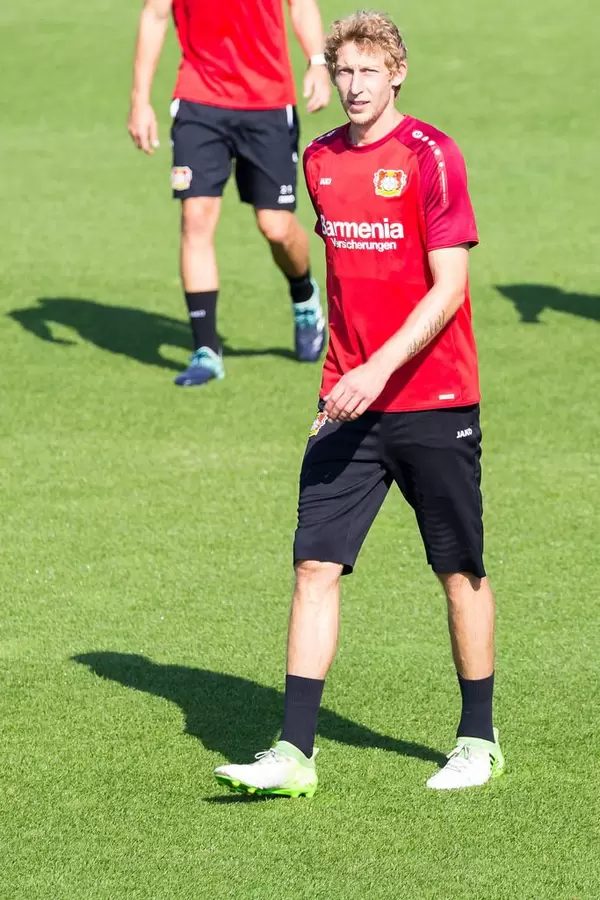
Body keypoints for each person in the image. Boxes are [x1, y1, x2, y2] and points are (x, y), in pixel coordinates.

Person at [214, 9, 505, 796]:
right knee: (314, 563)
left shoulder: (432, 156)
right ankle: (293, 752)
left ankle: (478, 739)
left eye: (369, 71)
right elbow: (352, 284)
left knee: (458, 569)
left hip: (434, 399)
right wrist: (348, 379)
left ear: (397, 74)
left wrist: (376, 370)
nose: (354, 86)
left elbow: (449, 288)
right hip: (346, 402)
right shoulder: (319, 159)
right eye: (343, 71)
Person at [127, 0, 330, 386]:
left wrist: (317, 62)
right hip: (199, 99)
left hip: (268, 102)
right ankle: (206, 349)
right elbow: (155, 14)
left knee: (276, 227)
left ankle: (303, 294)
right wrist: (140, 99)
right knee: (195, 218)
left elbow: (302, 5)